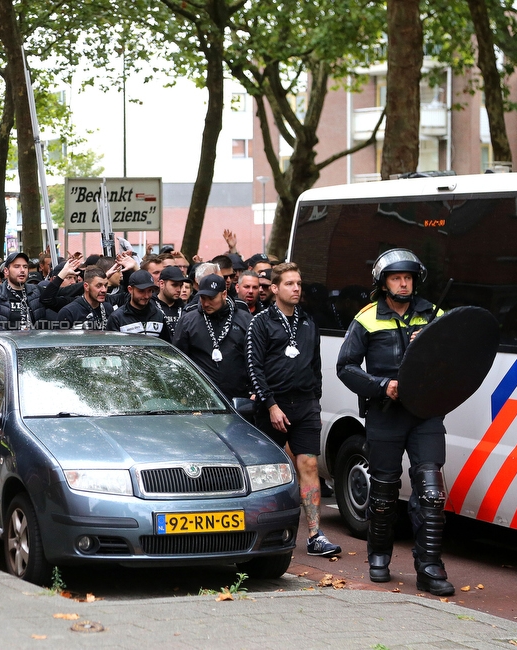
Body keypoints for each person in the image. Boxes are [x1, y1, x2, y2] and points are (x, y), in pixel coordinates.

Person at [336, 249, 453, 596]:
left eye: (409, 277)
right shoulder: (367, 318)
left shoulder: (435, 315)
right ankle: (379, 556)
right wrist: (383, 386)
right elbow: (346, 367)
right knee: (384, 492)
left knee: (431, 493)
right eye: (396, 277)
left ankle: (430, 567)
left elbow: (455, 362)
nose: (404, 283)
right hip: (385, 415)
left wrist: (430, 349)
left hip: (425, 415)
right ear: (383, 283)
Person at [246, 262, 340, 557]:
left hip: (305, 404)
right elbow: (254, 368)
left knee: (309, 465)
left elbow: (315, 365)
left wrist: (317, 401)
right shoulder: (260, 322)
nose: (296, 288)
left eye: (298, 283)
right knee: (270, 471)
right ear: (274, 289)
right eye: (289, 283)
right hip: (272, 405)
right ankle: (269, 533)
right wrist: (271, 405)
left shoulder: (309, 321)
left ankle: (314, 535)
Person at [172, 274, 252, 399]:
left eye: (211, 298)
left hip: (238, 396)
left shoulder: (244, 320)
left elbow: (254, 358)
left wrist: (253, 390)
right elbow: (178, 359)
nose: (206, 303)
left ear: (224, 294)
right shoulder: (188, 320)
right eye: (203, 298)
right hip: (200, 397)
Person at [106, 270, 170, 340]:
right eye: (141, 291)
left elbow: (166, 345)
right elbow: (112, 346)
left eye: (149, 291)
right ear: (130, 289)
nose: (146, 296)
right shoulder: (117, 318)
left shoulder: (158, 315)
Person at [153, 265, 188, 332]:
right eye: (174, 285)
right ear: (162, 284)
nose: (179, 289)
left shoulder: (184, 309)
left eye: (180, 286)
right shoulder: (151, 306)